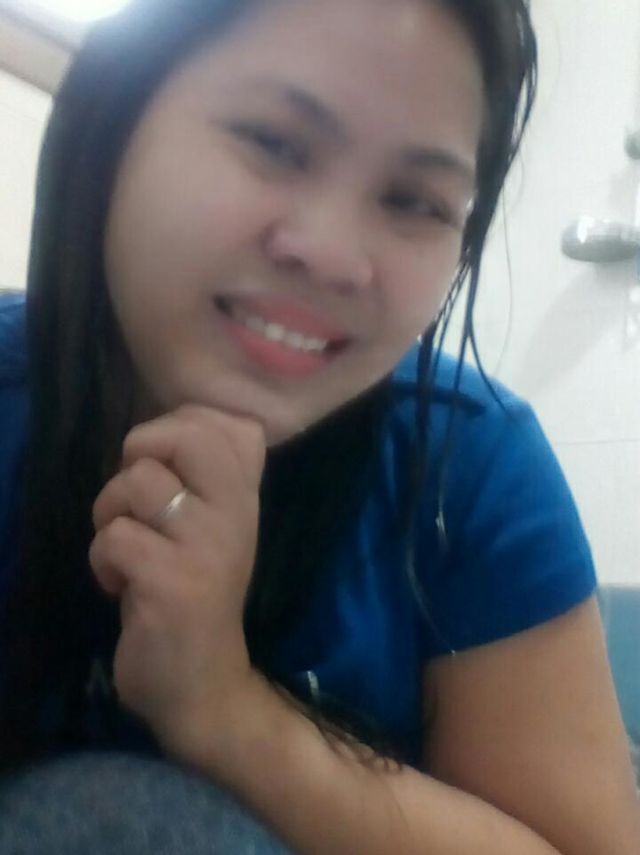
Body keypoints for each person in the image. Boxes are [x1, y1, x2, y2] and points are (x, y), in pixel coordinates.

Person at [0, 0, 637, 852]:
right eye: (272, 141)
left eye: (413, 200)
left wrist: (224, 707)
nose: (332, 254)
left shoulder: (471, 465)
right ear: (113, 117)